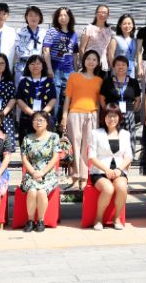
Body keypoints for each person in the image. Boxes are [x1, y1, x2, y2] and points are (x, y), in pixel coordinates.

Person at [60, 51, 103, 188]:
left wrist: (98, 119)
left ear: (98, 63)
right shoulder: (74, 76)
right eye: (88, 58)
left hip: (92, 115)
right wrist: (64, 116)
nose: (91, 61)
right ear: (83, 60)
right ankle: (74, 178)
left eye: (94, 59)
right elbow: (67, 98)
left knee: (87, 147)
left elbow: (98, 103)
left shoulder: (99, 80)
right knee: (74, 146)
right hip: (75, 114)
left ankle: (84, 179)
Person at [88, 104, 132, 230]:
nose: (112, 119)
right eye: (109, 116)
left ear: (119, 118)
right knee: (108, 189)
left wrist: (119, 169)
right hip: (99, 171)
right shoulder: (95, 133)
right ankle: (98, 219)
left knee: (122, 187)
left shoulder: (125, 134)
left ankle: (116, 218)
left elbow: (128, 156)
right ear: (104, 117)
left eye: (114, 116)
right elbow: (92, 157)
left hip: (118, 170)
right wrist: (106, 169)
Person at [19, 111, 61, 233]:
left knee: (42, 192)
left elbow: (55, 157)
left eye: (41, 120)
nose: (38, 123)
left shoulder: (54, 137)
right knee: (32, 191)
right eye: (35, 120)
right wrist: (33, 172)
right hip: (31, 173)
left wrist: (42, 172)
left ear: (47, 122)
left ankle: (41, 220)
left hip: (48, 173)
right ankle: (30, 221)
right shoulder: (27, 138)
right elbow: (24, 159)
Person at [100, 56, 142, 155]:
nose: (120, 67)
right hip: (112, 114)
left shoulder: (133, 82)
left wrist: (132, 111)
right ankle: (112, 158)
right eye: (118, 65)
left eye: (123, 65)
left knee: (129, 139)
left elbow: (137, 99)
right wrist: (107, 111)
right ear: (113, 67)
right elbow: (101, 98)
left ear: (127, 67)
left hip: (128, 114)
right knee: (113, 137)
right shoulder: (107, 81)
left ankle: (128, 159)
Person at [42, 7, 79, 114]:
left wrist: (76, 70)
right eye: (60, 15)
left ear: (70, 17)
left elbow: (75, 54)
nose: (63, 18)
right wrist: (49, 68)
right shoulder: (52, 31)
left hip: (69, 71)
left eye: (65, 15)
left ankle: (64, 121)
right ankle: (53, 121)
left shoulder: (73, 34)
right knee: (55, 96)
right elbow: (46, 49)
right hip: (55, 69)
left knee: (67, 97)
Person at [15, 54, 57, 139]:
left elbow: (53, 99)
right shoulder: (23, 81)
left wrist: (42, 114)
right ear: (28, 66)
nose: (35, 66)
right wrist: (33, 114)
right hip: (27, 117)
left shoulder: (49, 81)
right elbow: (19, 100)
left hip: (45, 117)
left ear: (43, 65)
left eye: (38, 63)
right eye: (32, 64)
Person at [13, 5, 46, 79]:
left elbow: (46, 51)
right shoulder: (19, 31)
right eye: (30, 15)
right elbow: (17, 49)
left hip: (38, 67)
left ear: (40, 18)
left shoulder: (44, 33)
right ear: (26, 17)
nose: (33, 18)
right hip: (22, 67)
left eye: (36, 15)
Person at [79, 4, 112, 72]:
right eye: (100, 12)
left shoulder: (109, 30)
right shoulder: (89, 28)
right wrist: (84, 63)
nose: (102, 14)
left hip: (103, 65)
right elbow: (82, 48)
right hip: (89, 64)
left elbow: (108, 50)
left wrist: (110, 65)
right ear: (96, 14)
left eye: (105, 13)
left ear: (108, 15)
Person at [106, 14, 138, 80]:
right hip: (118, 71)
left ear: (133, 25)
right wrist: (115, 70)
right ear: (120, 25)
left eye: (129, 23)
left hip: (131, 71)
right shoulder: (115, 39)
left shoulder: (135, 40)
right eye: (124, 24)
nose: (127, 26)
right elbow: (111, 57)